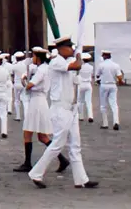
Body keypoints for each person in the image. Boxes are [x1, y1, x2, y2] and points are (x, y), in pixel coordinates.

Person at [29, 36, 97, 190]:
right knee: (57, 144)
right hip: (60, 109)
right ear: (61, 49)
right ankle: (36, 173)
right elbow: (76, 65)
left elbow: (73, 75)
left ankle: (81, 179)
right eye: (70, 47)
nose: (72, 50)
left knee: (75, 145)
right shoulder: (56, 61)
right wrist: (79, 54)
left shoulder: (65, 63)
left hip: (70, 109)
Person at [14, 47, 52, 173]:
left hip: (37, 101)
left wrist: (24, 82)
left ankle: (27, 162)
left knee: (28, 133)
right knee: (42, 136)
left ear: (38, 57)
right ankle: (62, 159)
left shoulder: (42, 70)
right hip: (39, 101)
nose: (32, 59)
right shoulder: (43, 68)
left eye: (34, 56)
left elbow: (30, 85)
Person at [96, 49, 123, 130]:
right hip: (113, 85)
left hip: (104, 85)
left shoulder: (101, 65)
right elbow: (119, 76)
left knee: (103, 105)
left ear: (104, 55)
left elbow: (97, 75)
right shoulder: (116, 65)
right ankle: (116, 122)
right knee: (114, 104)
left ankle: (105, 123)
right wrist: (120, 81)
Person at [10, 51, 28, 124]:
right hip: (24, 83)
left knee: (17, 100)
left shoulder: (14, 65)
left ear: (16, 58)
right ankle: (26, 116)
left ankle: (18, 116)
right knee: (25, 100)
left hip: (17, 83)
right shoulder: (26, 65)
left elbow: (12, 74)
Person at [76, 52, 95, 122]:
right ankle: (90, 116)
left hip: (80, 84)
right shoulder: (91, 67)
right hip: (88, 84)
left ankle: (80, 116)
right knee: (89, 101)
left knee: (80, 101)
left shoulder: (79, 66)